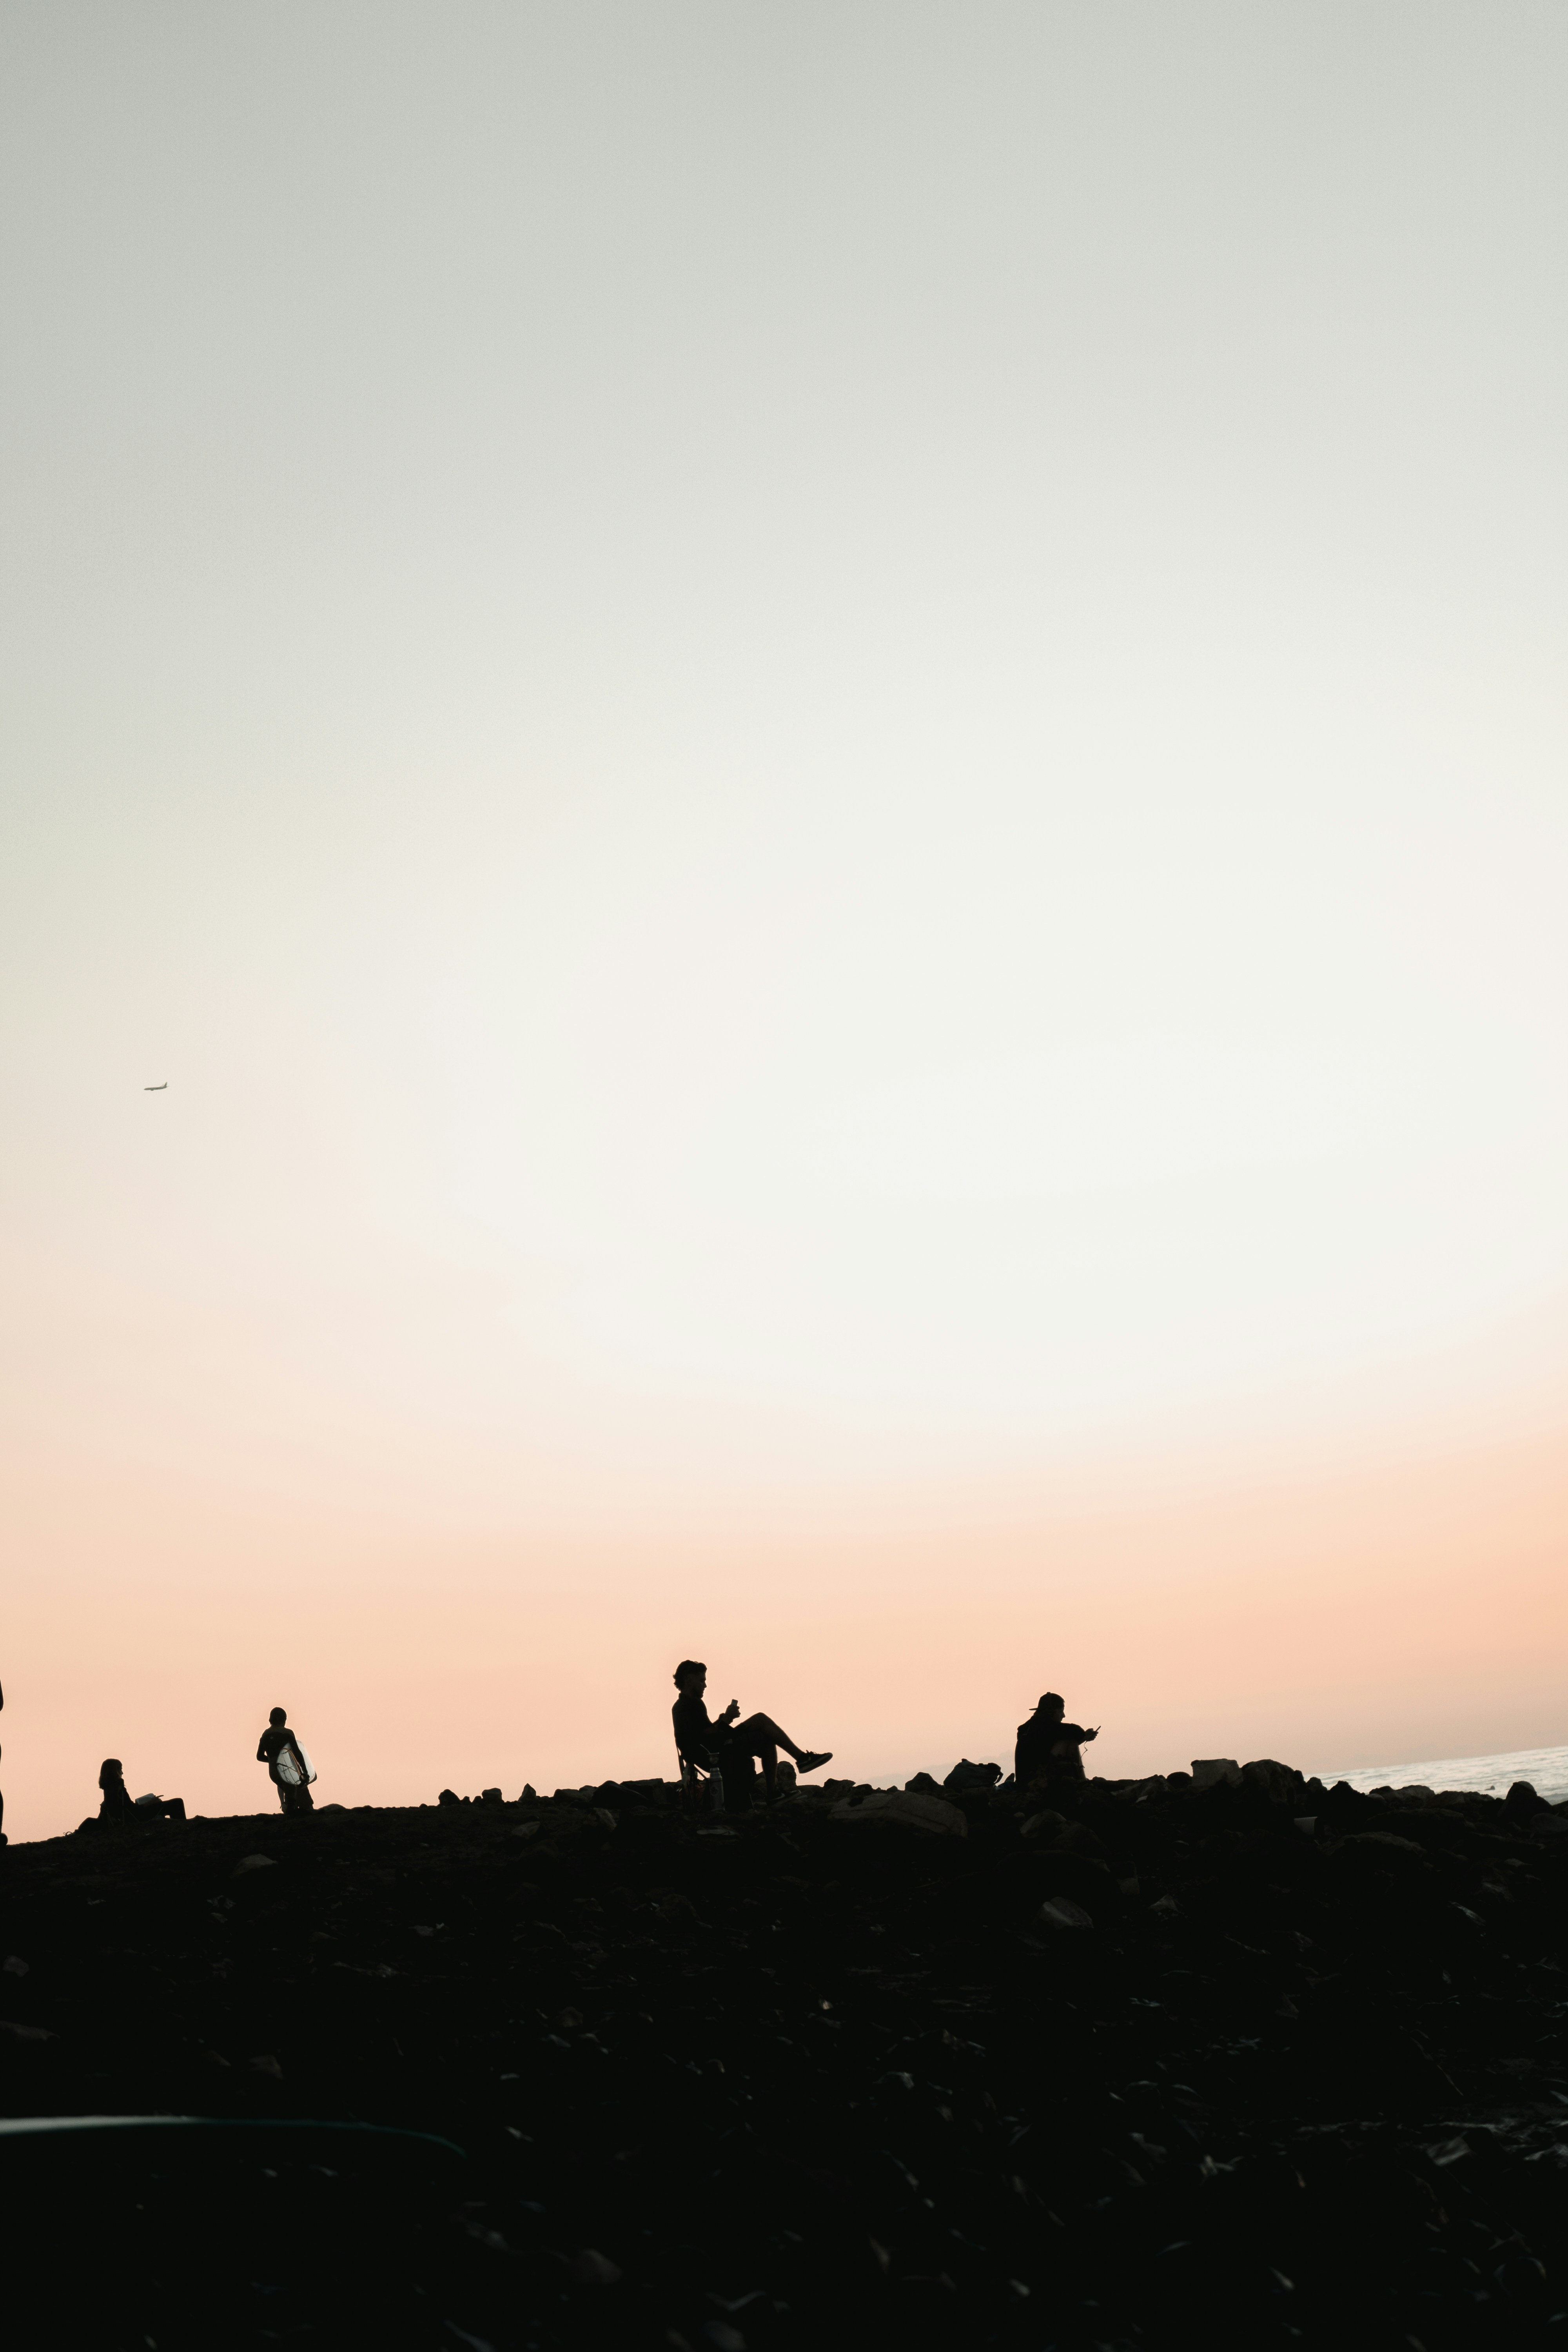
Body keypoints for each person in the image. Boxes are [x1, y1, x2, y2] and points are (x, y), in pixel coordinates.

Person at [670, 1661, 831, 1804]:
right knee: (760, 1719)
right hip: (716, 1753)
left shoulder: (688, 1705)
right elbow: (705, 1737)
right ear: (688, 1679)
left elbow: (703, 1733)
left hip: (715, 1749)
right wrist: (726, 1720)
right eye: (702, 1681)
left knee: (766, 1738)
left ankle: (774, 1793)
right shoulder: (687, 1705)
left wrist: (723, 1721)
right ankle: (801, 1760)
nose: (705, 1685)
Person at [1015, 1693, 1098, 1800]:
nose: (1063, 1716)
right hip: (1033, 1781)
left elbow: (1052, 1744)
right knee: (1071, 1741)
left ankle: (1082, 1782)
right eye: (1060, 1712)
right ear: (1050, 1712)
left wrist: (1084, 1738)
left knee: (1069, 1740)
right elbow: (1075, 1731)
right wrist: (1083, 1736)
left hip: (1024, 1782)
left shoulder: (1031, 1728)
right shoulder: (1044, 1728)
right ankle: (1083, 1782)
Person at [257, 1708, 315, 1814]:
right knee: (294, 1794)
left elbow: (259, 1757)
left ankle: (294, 1811)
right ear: (284, 1719)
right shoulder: (287, 1733)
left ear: (270, 1720)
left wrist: (273, 1761)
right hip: (287, 1771)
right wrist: (305, 1770)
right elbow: (297, 1753)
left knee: (291, 1792)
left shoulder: (265, 1735)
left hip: (273, 1773)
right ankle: (294, 1814)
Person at [98, 1760, 185, 1823]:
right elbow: (133, 1810)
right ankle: (184, 1827)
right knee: (177, 1803)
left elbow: (127, 1808)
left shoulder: (108, 1790)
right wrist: (151, 1802)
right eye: (120, 1769)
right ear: (115, 1771)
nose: (122, 1773)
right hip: (138, 1817)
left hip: (133, 1816)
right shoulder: (118, 1787)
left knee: (173, 1803)